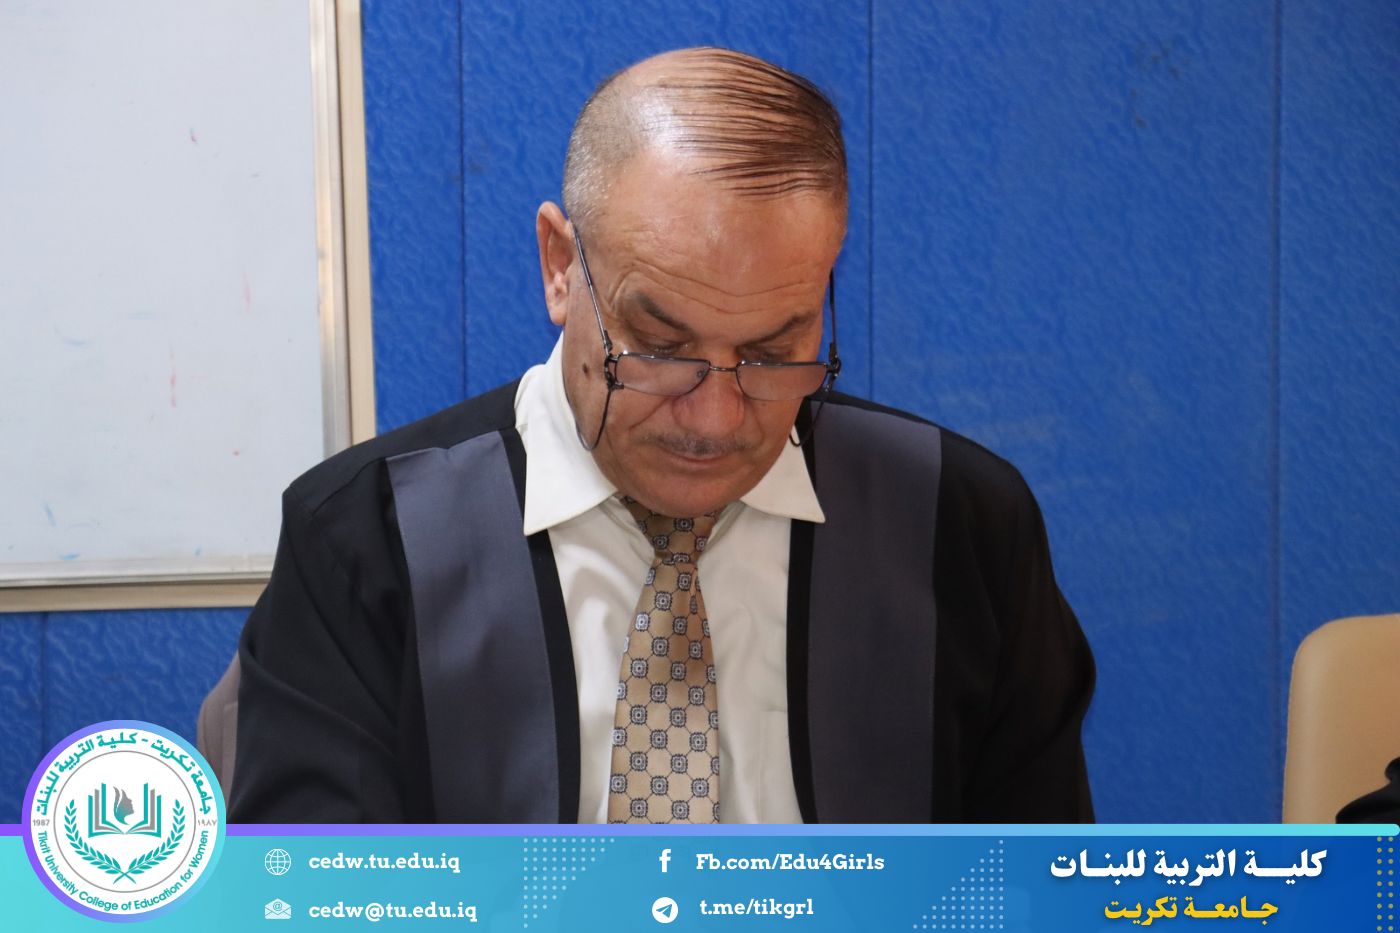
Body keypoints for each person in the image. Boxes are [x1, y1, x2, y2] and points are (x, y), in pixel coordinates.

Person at [228, 47, 1095, 824]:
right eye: (660, 348)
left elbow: (1035, 889)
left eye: (773, 354)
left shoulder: (957, 526)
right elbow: (316, 899)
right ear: (560, 266)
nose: (715, 419)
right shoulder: (369, 541)